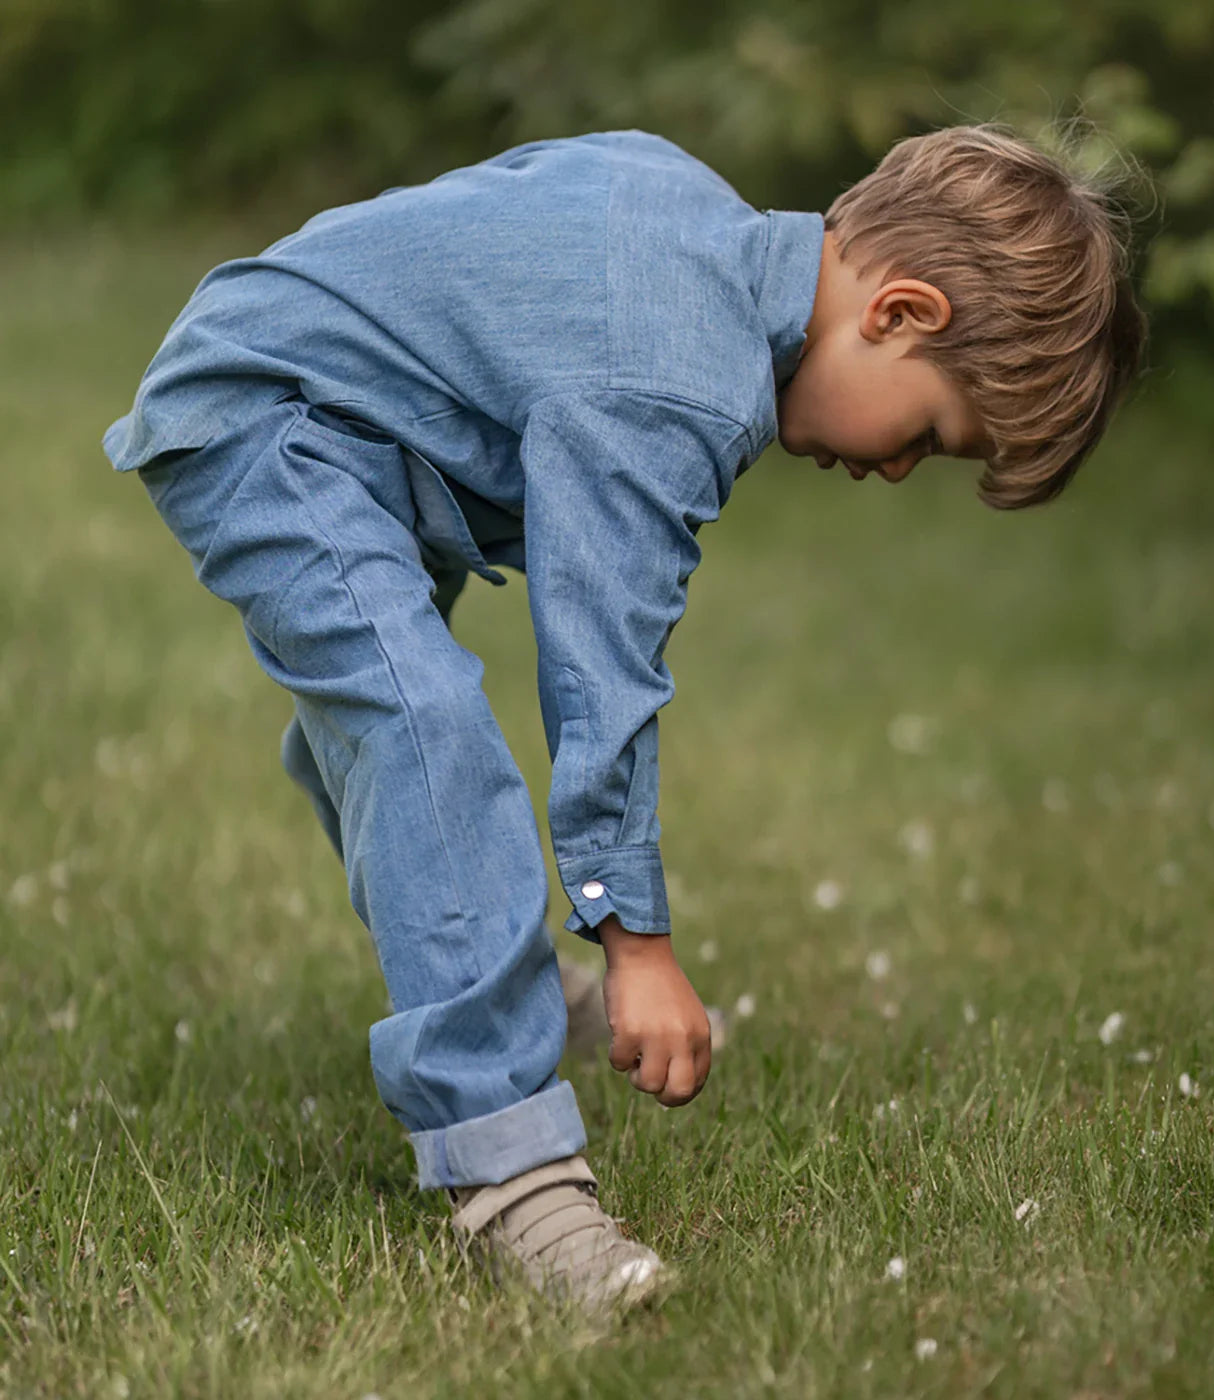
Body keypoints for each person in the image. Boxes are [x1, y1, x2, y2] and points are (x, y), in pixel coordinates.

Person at [102, 124, 1146, 1318]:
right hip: (275, 418)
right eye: (926, 435)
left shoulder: (687, 206)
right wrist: (632, 939)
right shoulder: (675, 380)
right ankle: (509, 1168)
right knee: (423, 725)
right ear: (898, 313)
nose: (900, 469)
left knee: (392, 721)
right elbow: (603, 662)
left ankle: (479, 946)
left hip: (346, 411)